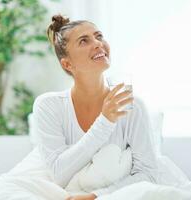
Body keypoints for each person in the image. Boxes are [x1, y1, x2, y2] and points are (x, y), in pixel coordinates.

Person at [32, 15, 159, 200]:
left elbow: (148, 174)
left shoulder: (132, 105)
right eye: (84, 41)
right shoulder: (48, 105)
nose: (98, 43)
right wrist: (105, 121)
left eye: (99, 36)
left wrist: (96, 196)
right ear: (67, 64)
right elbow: (59, 175)